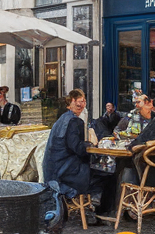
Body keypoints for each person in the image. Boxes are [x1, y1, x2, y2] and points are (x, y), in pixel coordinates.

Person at [42, 89, 107, 223]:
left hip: (53, 171)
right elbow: (78, 148)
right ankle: (97, 213)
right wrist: (90, 145)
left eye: (83, 101)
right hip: (65, 173)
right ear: (71, 102)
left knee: (99, 172)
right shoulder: (74, 121)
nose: (81, 104)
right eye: (79, 101)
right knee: (106, 176)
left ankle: (93, 208)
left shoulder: (62, 119)